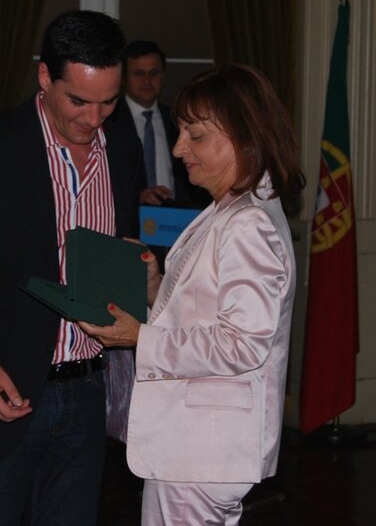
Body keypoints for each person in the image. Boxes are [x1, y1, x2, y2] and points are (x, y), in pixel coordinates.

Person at [0, 10, 143, 525]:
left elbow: (120, 258)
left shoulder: (123, 149)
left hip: (88, 395)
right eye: (78, 101)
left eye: (108, 101)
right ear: (44, 77)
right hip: (0, 394)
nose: (94, 118)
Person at [79, 63, 305, 525]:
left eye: (196, 136)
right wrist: (155, 285)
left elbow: (241, 343)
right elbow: (208, 310)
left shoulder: (247, 222)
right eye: (181, 132)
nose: (179, 148)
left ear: (244, 137)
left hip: (204, 448)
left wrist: (141, 338)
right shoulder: (232, 208)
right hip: (200, 446)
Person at [107, 39, 210, 208]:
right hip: (127, 215)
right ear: (124, 77)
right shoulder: (108, 121)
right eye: (138, 73)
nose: (147, 81)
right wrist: (135, 197)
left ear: (163, 76)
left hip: (178, 216)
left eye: (153, 73)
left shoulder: (180, 119)